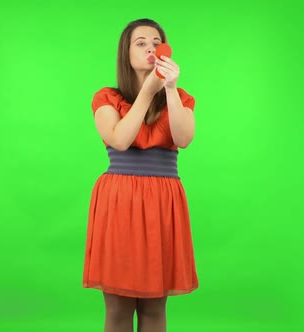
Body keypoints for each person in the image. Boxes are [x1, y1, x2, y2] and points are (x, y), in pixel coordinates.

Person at [83, 18, 199, 332]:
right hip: (120, 201)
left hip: (163, 203)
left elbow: (184, 138)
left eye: (155, 41)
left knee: (154, 308)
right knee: (118, 308)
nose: (150, 47)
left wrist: (170, 89)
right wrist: (147, 92)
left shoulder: (182, 97)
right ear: (126, 53)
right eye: (140, 42)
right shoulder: (107, 98)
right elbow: (119, 140)